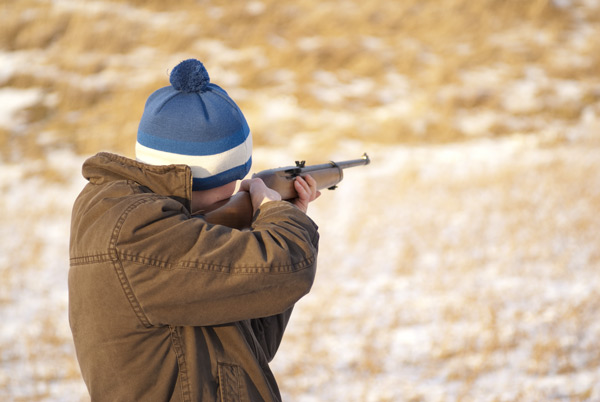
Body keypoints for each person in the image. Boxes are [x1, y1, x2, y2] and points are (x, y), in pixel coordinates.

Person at [69, 59, 320, 401]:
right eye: (232, 180)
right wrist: (276, 217)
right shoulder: (137, 232)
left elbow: (249, 345)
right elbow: (292, 267)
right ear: (206, 175)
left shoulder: (131, 214)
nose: (237, 187)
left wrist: (278, 219)